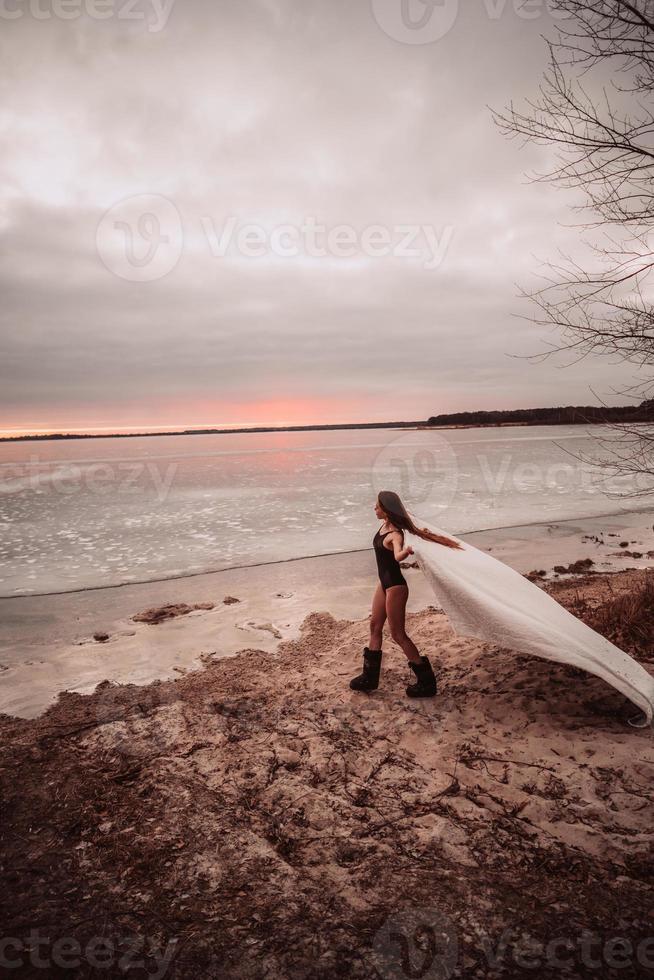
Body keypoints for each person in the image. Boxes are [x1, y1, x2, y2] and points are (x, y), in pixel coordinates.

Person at [350, 489, 462, 698]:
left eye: (377, 506)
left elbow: (398, 555)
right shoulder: (384, 526)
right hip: (383, 585)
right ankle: (370, 677)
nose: (374, 508)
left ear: (385, 509)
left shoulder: (395, 535)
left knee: (398, 634)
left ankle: (426, 681)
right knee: (374, 626)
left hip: (396, 587)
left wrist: (408, 551)